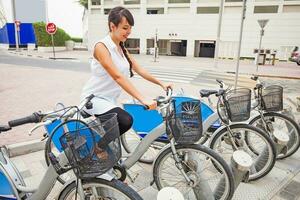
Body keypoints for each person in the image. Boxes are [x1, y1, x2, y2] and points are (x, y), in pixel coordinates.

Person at [81, 6, 172, 155]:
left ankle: (104, 156)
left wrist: (161, 83)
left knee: (118, 129)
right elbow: (117, 76)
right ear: (112, 26)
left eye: (130, 28)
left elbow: (139, 69)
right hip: (94, 99)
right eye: (125, 28)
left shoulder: (122, 48)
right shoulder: (101, 47)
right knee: (125, 120)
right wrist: (143, 98)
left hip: (109, 101)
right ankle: (97, 149)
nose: (128, 32)